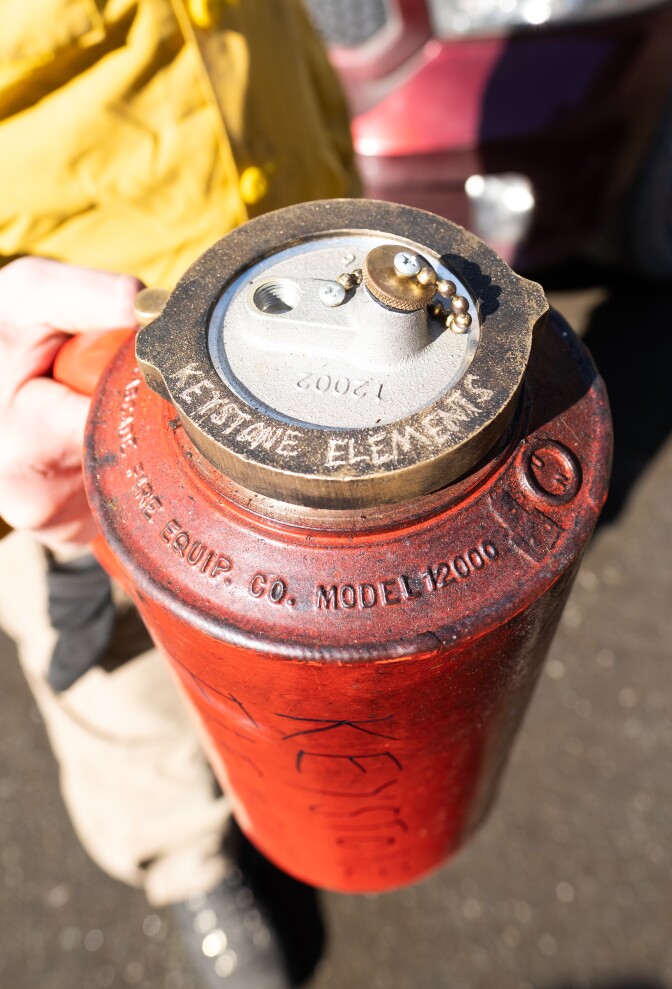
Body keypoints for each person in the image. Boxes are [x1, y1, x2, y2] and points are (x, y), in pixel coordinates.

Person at [0, 2, 359, 986]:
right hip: (80, 402)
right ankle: (186, 859)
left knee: (311, 611)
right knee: (114, 659)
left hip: (308, 331)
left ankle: (307, 779)